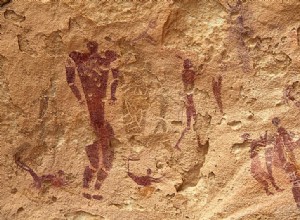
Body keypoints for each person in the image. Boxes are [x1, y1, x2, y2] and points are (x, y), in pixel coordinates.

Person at [66, 41, 119, 199]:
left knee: (105, 158)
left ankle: (96, 188)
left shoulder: (94, 61)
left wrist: (113, 95)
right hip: (94, 110)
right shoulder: (84, 60)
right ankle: (86, 187)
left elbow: (115, 75)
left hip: (97, 109)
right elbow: (70, 78)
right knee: (97, 159)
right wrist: (79, 98)